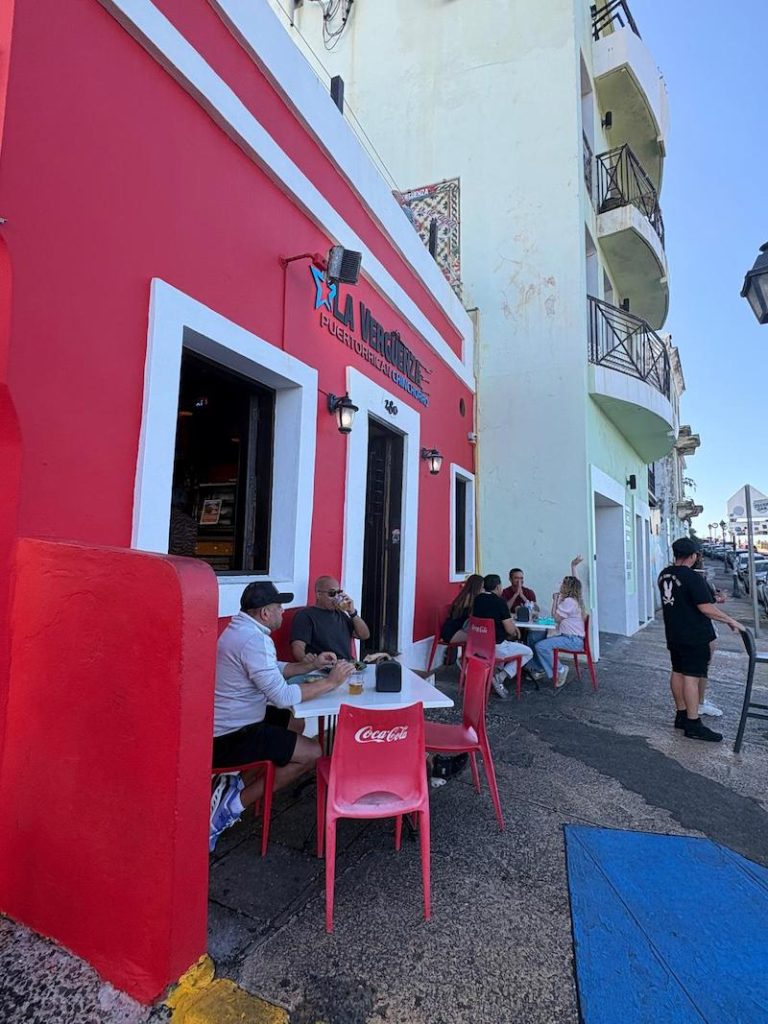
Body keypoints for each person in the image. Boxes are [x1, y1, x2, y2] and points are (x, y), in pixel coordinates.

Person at [210, 581, 355, 851]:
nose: (282, 611)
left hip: (231, 722)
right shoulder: (254, 640)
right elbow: (283, 697)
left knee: (295, 721)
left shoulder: (239, 629)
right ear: (265, 612)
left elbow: (270, 668)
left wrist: (309, 665)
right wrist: (331, 682)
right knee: (312, 752)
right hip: (231, 736)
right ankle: (232, 806)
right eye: (278, 607)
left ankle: (237, 783)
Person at [658, 537, 744, 743]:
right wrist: (730, 620)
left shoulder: (664, 574)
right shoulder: (692, 577)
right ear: (693, 556)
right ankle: (693, 722)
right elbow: (706, 608)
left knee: (677, 671)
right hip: (694, 635)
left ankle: (681, 715)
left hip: (674, 633)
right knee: (692, 677)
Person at [472, 574, 534, 699]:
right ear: (498, 587)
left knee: (507, 644)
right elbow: (510, 630)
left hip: (478, 647)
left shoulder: (477, 599)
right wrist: (515, 630)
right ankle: (500, 677)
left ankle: (495, 671)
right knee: (528, 652)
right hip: (496, 648)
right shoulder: (500, 602)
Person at [528, 556, 586, 688]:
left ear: (567, 587)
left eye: (563, 583)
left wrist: (554, 600)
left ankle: (560, 669)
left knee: (540, 646)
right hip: (573, 638)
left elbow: (555, 618)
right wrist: (573, 566)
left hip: (571, 640)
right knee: (541, 641)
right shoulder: (575, 600)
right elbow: (577, 582)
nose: (560, 584)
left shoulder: (569, 602)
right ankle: (546, 669)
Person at [290, 576, 370, 662]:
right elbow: (298, 646)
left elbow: (364, 635)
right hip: (326, 665)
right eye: (332, 593)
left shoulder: (341, 614)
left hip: (348, 664)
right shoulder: (306, 615)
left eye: (339, 593)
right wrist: (306, 660)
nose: (336, 597)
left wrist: (352, 613)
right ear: (319, 594)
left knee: (376, 668)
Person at [439, 574, 484, 645]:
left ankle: (457, 651)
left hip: (452, 629)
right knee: (481, 636)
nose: (483, 590)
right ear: (477, 587)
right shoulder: (470, 599)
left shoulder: (464, 595)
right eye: (482, 587)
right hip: (452, 633)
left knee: (479, 634)